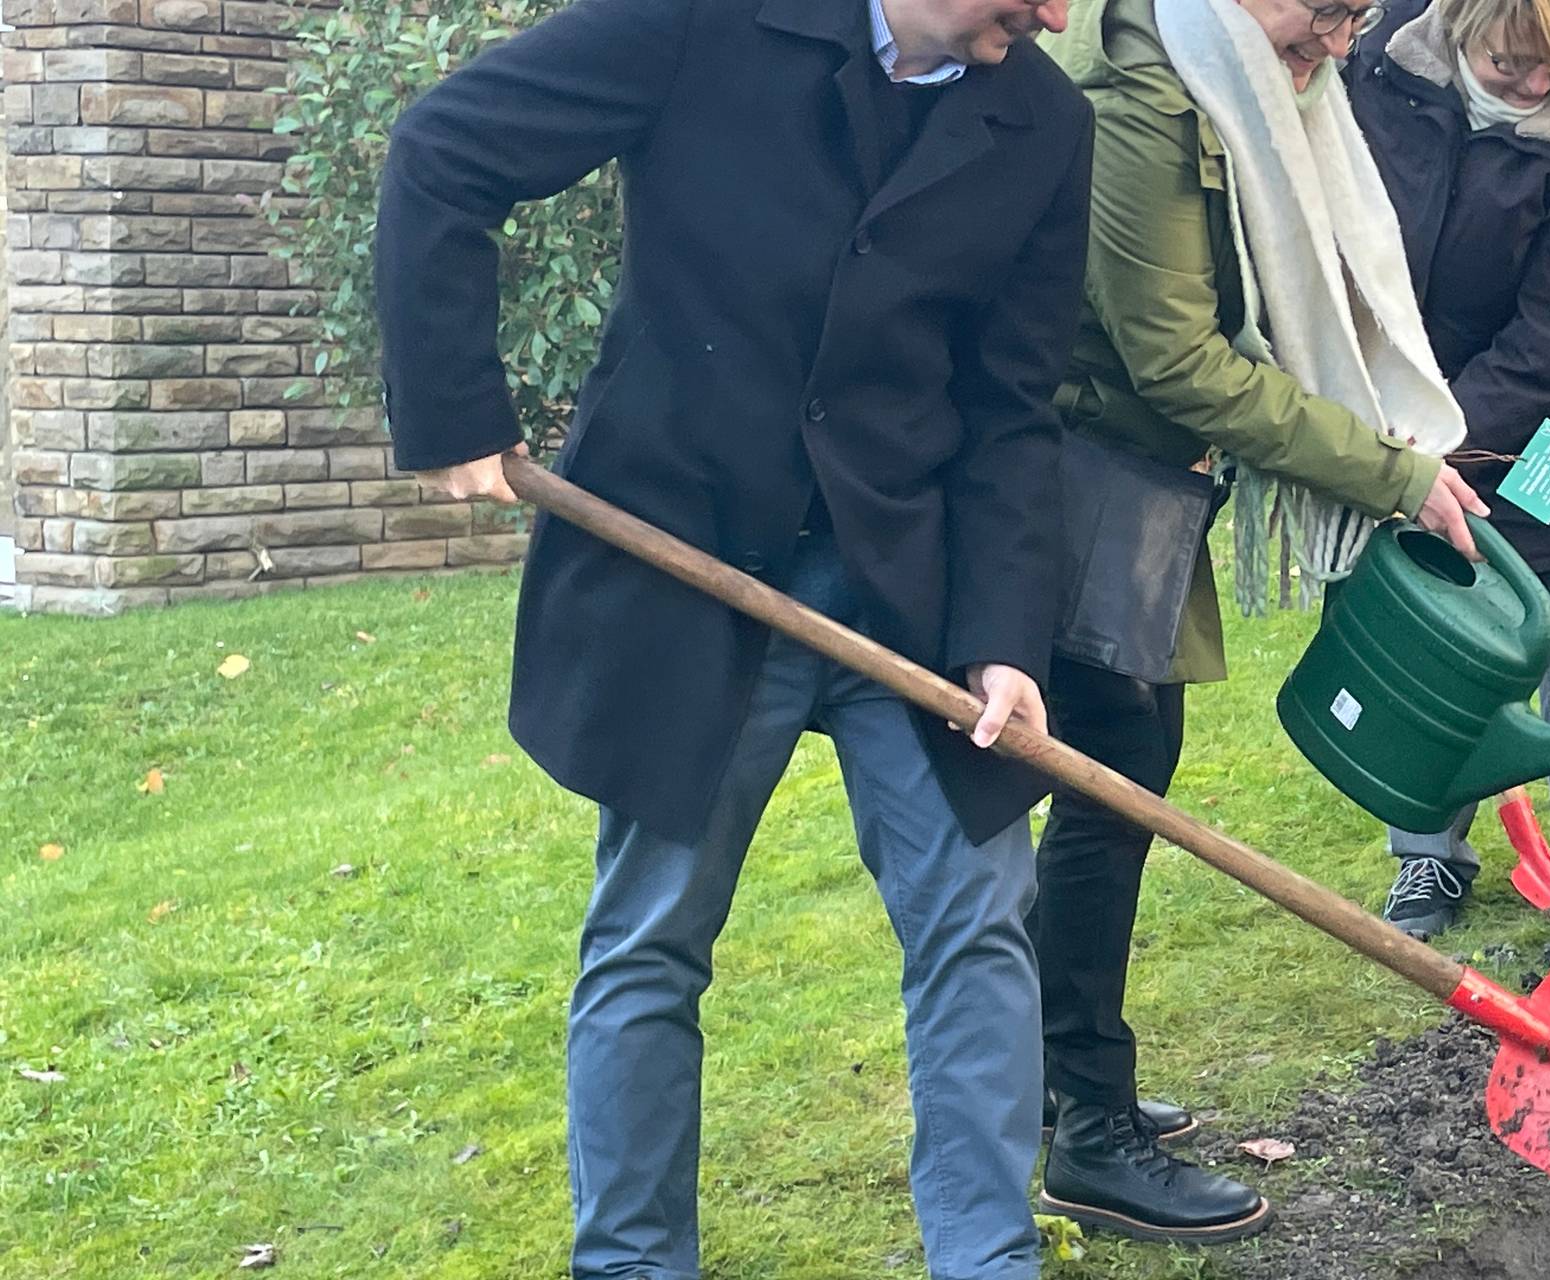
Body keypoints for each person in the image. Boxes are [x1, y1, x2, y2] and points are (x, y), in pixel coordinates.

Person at [372, 0, 1086, 1276]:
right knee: (650, 936)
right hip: (684, 562)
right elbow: (446, 148)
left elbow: (1011, 402)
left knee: (979, 914)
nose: (1054, 15)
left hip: (905, 586)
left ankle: (990, 1262)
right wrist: (451, 406)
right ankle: (635, 1264)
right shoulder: (702, 21)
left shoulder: (1038, 115)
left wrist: (1004, 636)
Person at [1038, 0, 1489, 1244]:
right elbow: (1177, 361)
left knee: (1114, 771)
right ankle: (1084, 1122)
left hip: (1136, 469)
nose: (1344, 41)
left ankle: (1054, 1075)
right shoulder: (1145, 98)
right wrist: (1387, 471)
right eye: (1326, 8)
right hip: (1083, 473)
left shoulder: (1233, 82)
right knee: (1112, 777)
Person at [1342, 0, 1550, 939]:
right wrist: (1392, 427)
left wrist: (1439, 436)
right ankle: (1428, 855)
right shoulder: (1378, 65)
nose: (1534, 87)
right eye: (1513, 62)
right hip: (1408, 403)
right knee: (1432, 628)